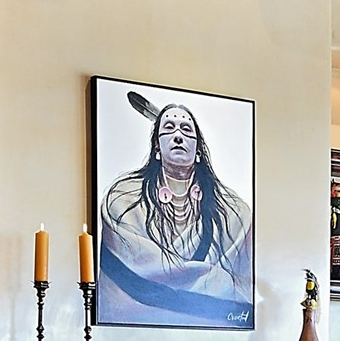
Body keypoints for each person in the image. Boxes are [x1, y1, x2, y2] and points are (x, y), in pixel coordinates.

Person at [99, 97, 253, 328]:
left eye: (187, 130)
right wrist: (216, 279)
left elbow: (242, 290)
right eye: (169, 128)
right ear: (157, 146)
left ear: (198, 149)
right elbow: (129, 279)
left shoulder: (232, 210)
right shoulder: (124, 199)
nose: (178, 136)